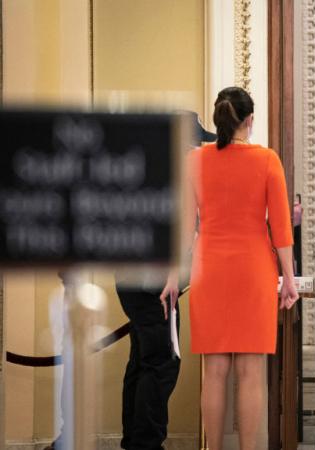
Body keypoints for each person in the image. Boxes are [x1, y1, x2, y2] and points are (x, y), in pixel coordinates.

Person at [161, 87, 299, 450]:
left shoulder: (195, 161)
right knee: (251, 373)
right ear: (249, 121)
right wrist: (289, 279)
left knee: (215, 372)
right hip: (254, 270)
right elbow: (281, 228)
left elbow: (183, 227)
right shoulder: (267, 160)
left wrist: (173, 277)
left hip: (210, 270)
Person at [114, 112, 216, 450]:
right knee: (161, 364)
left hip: (131, 277)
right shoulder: (176, 174)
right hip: (155, 281)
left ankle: (134, 441)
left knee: (142, 361)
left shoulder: (146, 168)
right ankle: (146, 444)